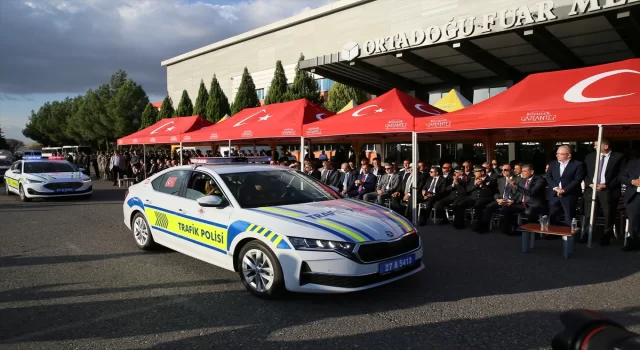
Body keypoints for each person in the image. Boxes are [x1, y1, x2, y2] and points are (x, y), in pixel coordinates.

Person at [582, 139, 626, 245]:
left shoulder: (619, 157)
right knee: (590, 213)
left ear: (606, 146)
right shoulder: (590, 157)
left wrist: (607, 185)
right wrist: (590, 184)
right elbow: (584, 172)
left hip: (608, 190)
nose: (594, 147)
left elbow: (621, 174)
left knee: (608, 214)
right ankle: (587, 234)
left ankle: (606, 237)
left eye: (597, 145)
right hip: (592, 189)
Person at [546, 145, 585, 226]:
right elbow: (549, 177)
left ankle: (569, 236)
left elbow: (577, 180)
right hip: (554, 194)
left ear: (569, 155)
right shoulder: (553, 164)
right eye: (557, 153)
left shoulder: (578, 164)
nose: (557, 155)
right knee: (553, 215)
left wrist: (564, 190)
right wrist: (556, 188)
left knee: (569, 216)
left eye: (560, 154)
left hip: (569, 194)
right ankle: (553, 233)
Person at [503, 164, 547, 235]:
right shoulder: (522, 180)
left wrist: (516, 186)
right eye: (522, 171)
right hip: (523, 204)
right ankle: (517, 228)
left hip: (535, 205)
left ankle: (533, 233)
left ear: (532, 172)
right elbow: (518, 193)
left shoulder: (540, 180)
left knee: (528, 212)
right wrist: (512, 201)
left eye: (524, 171)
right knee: (506, 209)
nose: (522, 173)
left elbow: (531, 193)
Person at [453, 166, 497, 230]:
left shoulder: (491, 180)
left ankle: (480, 225)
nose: (474, 173)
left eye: (476, 172)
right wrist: (475, 185)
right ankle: (460, 223)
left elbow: (491, 192)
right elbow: (467, 190)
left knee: (478, 205)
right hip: (472, 197)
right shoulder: (472, 179)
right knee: (460, 204)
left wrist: (482, 185)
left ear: (482, 172)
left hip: (484, 198)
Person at [479, 163, 518, 234]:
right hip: (501, 199)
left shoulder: (518, 179)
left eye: (506, 170)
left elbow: (519, 193)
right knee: (488, 207)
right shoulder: (500, 180)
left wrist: (514, 186)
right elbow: (496, 192)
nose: (503, 171)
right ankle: (484, 227)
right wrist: (498, 199)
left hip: (511, 201)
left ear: (511, 170)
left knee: (505, 210)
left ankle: (509, 229)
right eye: (502, 170)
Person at [618, 158, 640, 252]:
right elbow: (621, 176)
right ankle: (633, 243)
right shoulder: (633, 162)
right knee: (633, 221)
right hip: (634, 195)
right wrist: (632, 181)